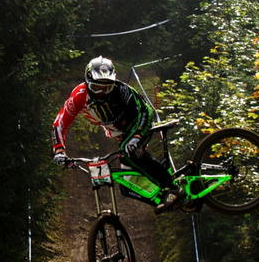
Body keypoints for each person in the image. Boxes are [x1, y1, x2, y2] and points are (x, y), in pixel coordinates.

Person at [52, 56, 181, 213]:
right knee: (126, 186)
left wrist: (137, 137)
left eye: (107, 88)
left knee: (130, 152)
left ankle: (172, 189)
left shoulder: (122, 91)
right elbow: (60, 122)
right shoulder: (79, 96)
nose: (102, 93)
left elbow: (145, 111)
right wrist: (59, 150)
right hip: (120, 133)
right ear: (87, 82)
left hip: (139, 122)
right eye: (96, 87)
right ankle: (164, 197)